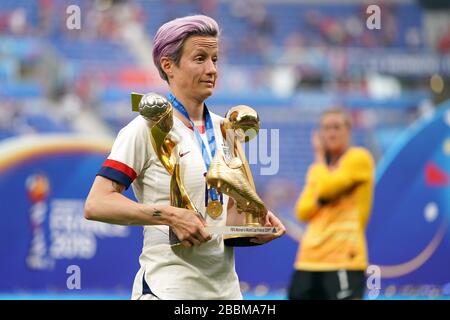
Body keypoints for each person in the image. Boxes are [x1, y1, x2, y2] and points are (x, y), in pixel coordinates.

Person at [84, 15, 285, 300]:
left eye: (215, 59)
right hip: (166, 290)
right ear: (168, 65)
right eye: (200, 58)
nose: (212, 69)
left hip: (226, 294)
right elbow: (97, 203)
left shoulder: (227, 130)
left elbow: (221, 217)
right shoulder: (145, 128)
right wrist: (170, 215)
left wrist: (254, 227)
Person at [288, 108, 375, 300]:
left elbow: (327, 188)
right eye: (326, 128)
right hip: (309, 259)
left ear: (348, 131)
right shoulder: (317, 170)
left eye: (336, 127)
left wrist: (319, 158)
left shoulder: (358, 158)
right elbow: (302, 211)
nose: (331, 133)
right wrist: (323, 198)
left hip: (344, 258)